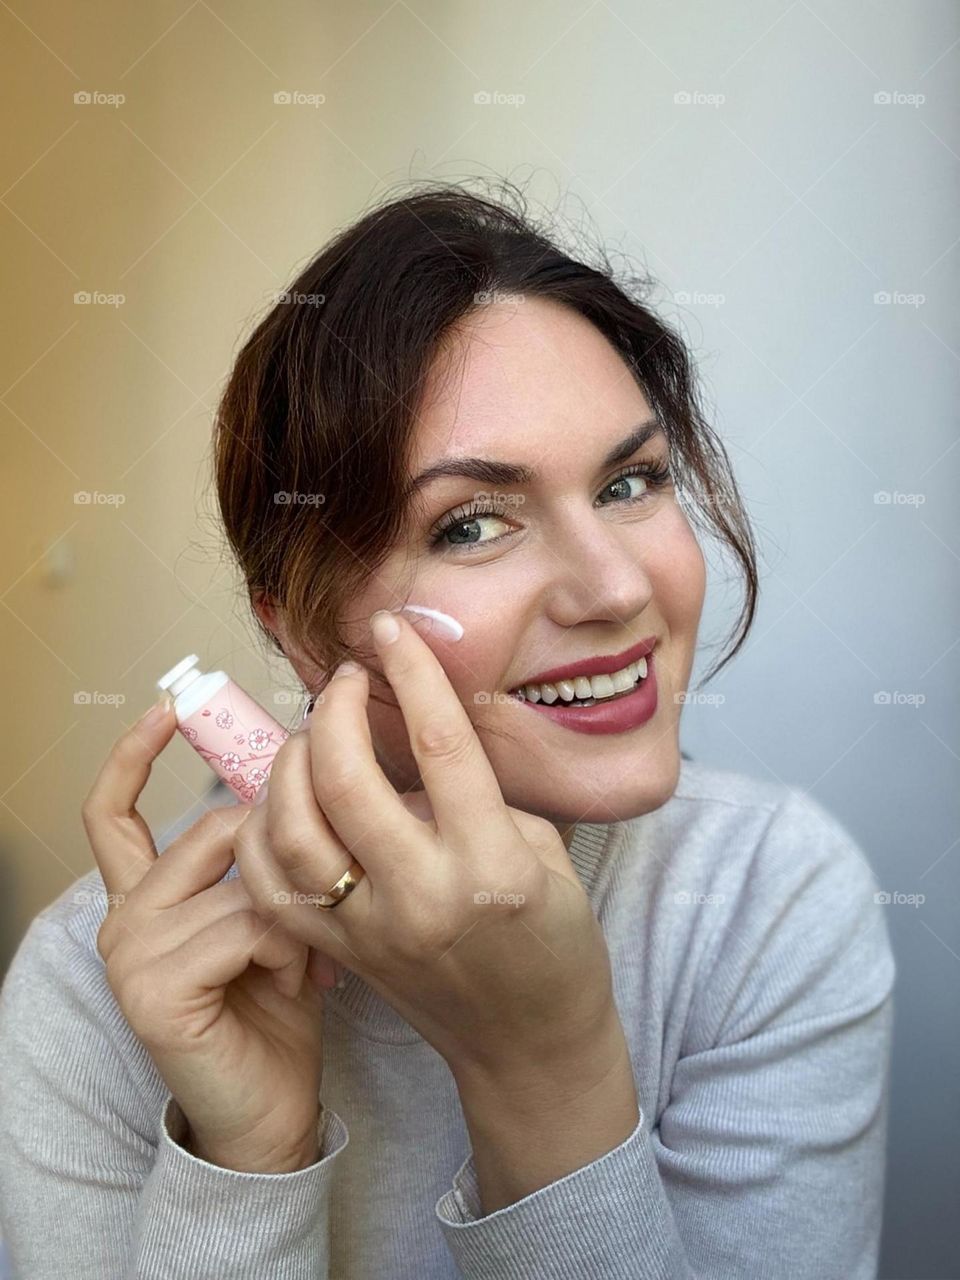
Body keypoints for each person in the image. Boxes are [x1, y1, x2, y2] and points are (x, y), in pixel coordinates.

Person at [0, 183, 895, 1278]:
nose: (616, 587)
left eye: (632, 481)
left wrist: (545, 1070)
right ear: (301, 628)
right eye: (472, 522)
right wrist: (249, 1161)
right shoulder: (101, 988)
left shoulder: (766, 896)